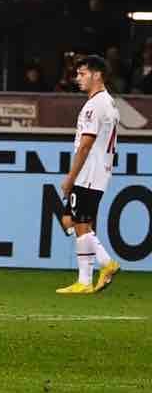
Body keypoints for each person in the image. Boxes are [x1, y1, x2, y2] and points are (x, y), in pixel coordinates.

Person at [57, 55, 121, 294]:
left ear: (97, 75)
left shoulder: (95, 105)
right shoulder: (108, 103)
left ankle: (100, 268)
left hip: (89, 172)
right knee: (70, 220)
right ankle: (89, 276)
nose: (78, 78)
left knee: (81, 223)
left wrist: (71, 177)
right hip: (98, 170)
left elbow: (86, 145)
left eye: (82, 74)